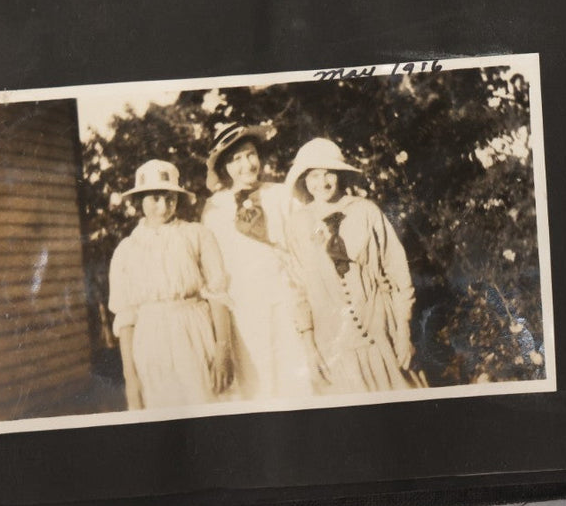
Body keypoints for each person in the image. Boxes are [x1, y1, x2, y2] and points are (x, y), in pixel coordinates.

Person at [281, 138, 423, 394]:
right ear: (304, 179)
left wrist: (403, 332)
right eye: (314, 175)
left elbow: (397, 271)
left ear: (340, 175)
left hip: (381, 330)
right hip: (332, 341)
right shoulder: (297, 224)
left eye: (329, 174)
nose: (322, 182)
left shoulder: (366, 211)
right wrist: (310, 346)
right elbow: (297, 289)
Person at [200, 124, 317, 400]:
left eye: (250, 154)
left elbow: (307, 244)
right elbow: (214, 271)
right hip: (244, 311)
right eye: (236, 159)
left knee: (298, 382)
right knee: (258, 386)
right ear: (225, 168)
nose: (246, 165)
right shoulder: (214, 208)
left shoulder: (281, 195)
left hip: (288, 303)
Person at [107, 159, 233, 410]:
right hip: (151, 341)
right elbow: (126, 317)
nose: (163, 207)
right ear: (139, 200)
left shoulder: (197, 235)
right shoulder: (127, 250)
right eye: (154, 198)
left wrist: (223, 351)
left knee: (208, 407)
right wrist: (131, 380)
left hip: (195, 332)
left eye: (170, 198)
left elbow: (218, 294)